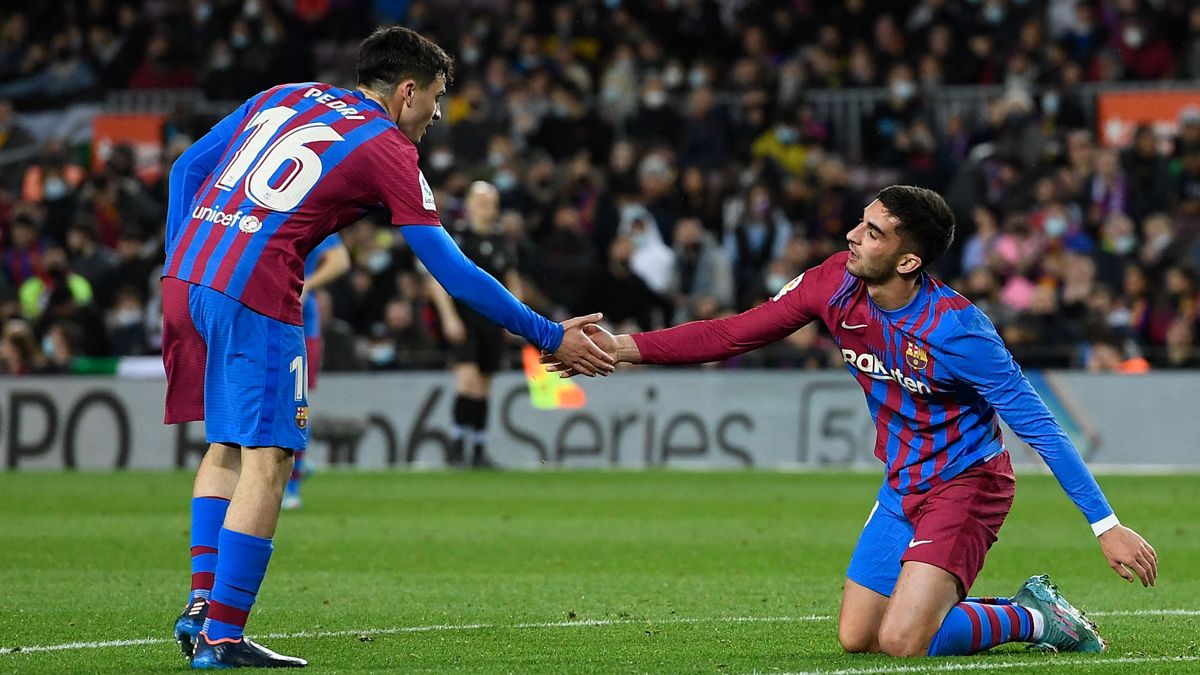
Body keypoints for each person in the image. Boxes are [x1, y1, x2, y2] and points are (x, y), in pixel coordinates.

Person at [163, 26, 614, 669]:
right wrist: (549, 334)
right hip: (255, 291)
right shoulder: (386, 147)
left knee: (228, 444)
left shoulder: (288, 94)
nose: (435, 115)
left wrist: (180, 256)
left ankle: (202, 608)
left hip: (190, 277)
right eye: (435, 98)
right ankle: (222, 636)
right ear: (406, 92)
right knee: (270, 458)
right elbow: (451, 270)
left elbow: (186, 168)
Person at [545, 185, 1158, 658]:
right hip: (901, 483)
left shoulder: (959, 331)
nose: (851, 236)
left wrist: (1106, 525)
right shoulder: (832, 283)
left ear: (909, 259)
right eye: (860, 224)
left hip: (967, 483)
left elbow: (1041, 427)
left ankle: (1037, 618)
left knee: (903, 643)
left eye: (871, 232)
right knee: (856, 636)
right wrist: (620, 348)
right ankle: (1012, 609)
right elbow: (732, 332)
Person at [429, 181, 516, 468]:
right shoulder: (456, 237)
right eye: (479, 200)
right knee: (467, 382)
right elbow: (436, 279)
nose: (485, 206)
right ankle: (456, 444)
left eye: (490, 201)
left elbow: (512, 281)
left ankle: (478, 448)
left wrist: (516, 317)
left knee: (484, 386)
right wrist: (449, 317)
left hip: (492, 321)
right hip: (465, 319)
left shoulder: (503, 239)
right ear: (468, 205)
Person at [282, 233, 351, 510]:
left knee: (295, 403)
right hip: (260, 319)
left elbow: (340, 260)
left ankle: (292, 483)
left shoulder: (307, 204)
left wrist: (307, 284)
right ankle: (297, 461)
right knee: (274, 403)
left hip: (300, 322)